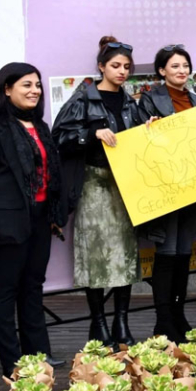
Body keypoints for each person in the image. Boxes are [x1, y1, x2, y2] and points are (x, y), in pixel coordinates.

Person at [52, 37, 142, 346]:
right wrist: (92, 134)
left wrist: (151, 126)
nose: (122, 72)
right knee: (94, 255)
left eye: (127, 67)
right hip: (93, 182)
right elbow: (59, 137)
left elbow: (141, 141)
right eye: (115, 66)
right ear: (101, 66)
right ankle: (98, 322)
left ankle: (121, 321)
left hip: (125, 185)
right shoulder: (83, 98)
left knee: (126, 254)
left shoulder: (130, 102)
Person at [0, 62, 66, 377]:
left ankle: (38, 354)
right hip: (4, 223)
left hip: (40, 218)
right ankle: (13, 362)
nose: (34, 91)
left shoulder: (39, 125)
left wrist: (54, 215)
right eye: (26, 85)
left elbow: (50, 175)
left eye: (37, 85)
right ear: (7, 89)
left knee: (33, 286)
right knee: (3, 292)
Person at [137, 44, 196, 343]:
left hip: (193, 187)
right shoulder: (150, 100)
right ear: (162, 71)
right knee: (165, 254)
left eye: (185, 66)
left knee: (182, 254)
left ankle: (179, 317)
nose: (181, 71)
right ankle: (162, 322)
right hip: (165, 188)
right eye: (175, 66)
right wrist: (147, 129)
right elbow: (139, 142)